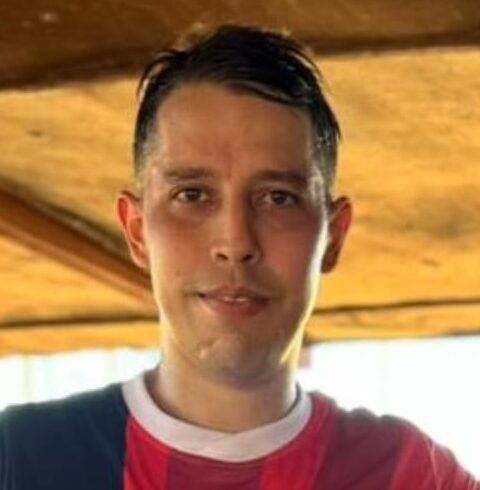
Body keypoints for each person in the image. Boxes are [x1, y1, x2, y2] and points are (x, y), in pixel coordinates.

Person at [0, 25, 478, 490]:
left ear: (333, 236)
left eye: (278, 198)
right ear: (137, 232)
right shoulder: (20, 459)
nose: (235, 241)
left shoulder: (411, 474)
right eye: (192, 195)